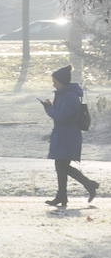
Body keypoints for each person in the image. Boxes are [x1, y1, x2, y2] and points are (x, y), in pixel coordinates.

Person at [39, 65, 99, 207]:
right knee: (61, 166)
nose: (53, 84)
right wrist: (51, 107)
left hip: (68, 136)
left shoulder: (69, 96)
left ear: (62, 82)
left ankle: (85, 186)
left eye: (55, 81)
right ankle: (65, 195)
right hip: (64, 135)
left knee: (62, 166)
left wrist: (48, 108)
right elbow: (61, 115)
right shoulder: (65, 95)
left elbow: (61, 117)